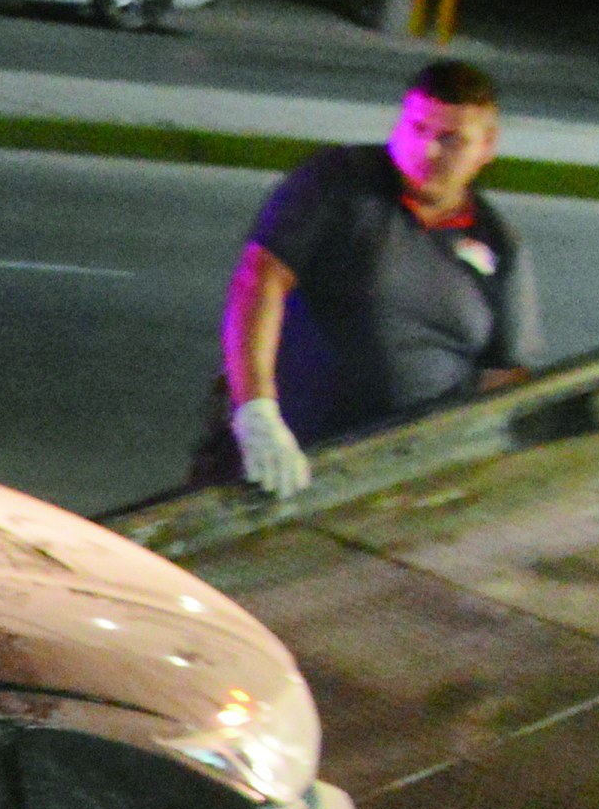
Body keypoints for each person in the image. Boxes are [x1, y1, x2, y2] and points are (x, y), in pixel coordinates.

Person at [216, 58, 539, 498]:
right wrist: (257, 413)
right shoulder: (339, 183)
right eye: (417, 128)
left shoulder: (498, 241)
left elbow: (504, 374)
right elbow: (260, 281)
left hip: (406, 479)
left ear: (487, 146)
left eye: (451, 139)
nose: (427, 151)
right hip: (286, 459)